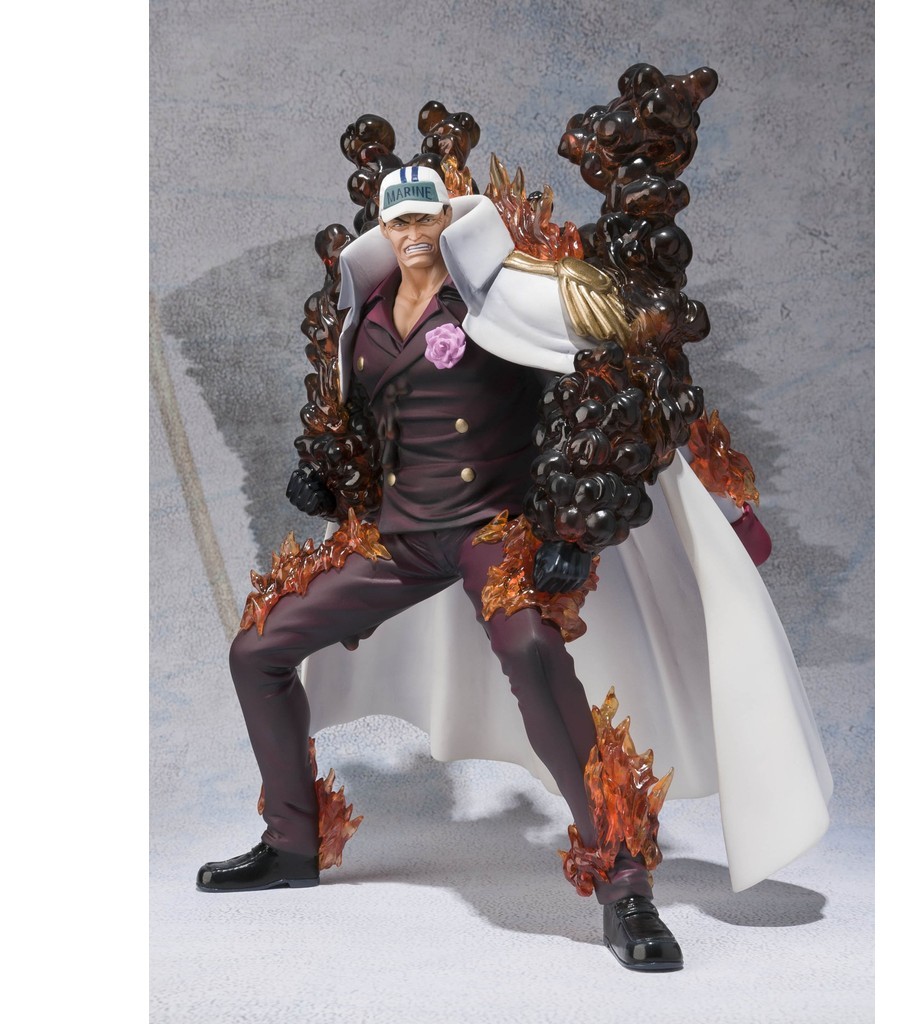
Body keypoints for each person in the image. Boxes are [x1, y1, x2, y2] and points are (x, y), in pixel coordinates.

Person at [197, 164, 832, 974]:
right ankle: (292, 839)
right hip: (401, 536)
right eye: (400, 223)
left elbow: (611, 381)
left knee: (532, 650)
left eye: (427, 219)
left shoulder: (501, 297)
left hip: (492, 528)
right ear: (385, 231)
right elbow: (357, 424)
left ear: (448, 219)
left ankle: (624, 885)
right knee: (258, 649)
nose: (414, 235)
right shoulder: (364, 320)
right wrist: (323, 472)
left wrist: (594, 515)